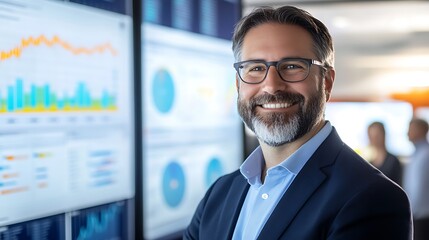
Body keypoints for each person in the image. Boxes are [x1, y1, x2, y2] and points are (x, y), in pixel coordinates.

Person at [184, 5, 412, 240]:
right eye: (255, 68)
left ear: (326, 82)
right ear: (238, 84)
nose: (272, 86)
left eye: (292, 66)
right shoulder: (220, 193)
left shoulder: (373, 198)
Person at [403, 118, 429, 240]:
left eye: (411, 129)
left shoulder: (426, 154)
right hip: (415, 216)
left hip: (423, 217)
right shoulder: (416, 154)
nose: (407, 133)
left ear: (421, 130)